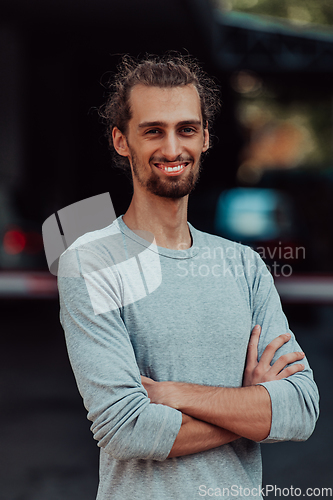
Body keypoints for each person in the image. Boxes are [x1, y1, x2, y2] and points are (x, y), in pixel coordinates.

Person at [58, 54, 319, 499]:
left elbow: (301, 410)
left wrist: (175, 394)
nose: (173, 148)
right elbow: (129, 429)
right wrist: (249, 407)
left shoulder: (244, 265)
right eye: (153, 130)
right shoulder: (92, 261)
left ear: (205, 139)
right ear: (121, 141)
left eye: (187, 129)